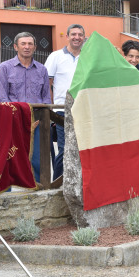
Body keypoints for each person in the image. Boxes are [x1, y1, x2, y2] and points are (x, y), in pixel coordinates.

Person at [0, 32, 51, 183]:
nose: (27, 47)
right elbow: (1, 98)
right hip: (13, 122)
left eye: (30, 44)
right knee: (10, 160)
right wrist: (17, 119)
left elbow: (46, 98)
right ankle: (7, 195)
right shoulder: (5, 68)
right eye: (23, 44)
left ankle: (39, 192)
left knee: (38, 161)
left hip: (38, 122)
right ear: (15, 47)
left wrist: (40, 119)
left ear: (35, 47)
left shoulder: (42, 70)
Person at [45, 23, 85, 181]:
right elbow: (47, 84)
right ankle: (58, 184)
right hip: (61, 110)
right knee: (63, 149)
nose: (77, 37)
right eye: (73, 34)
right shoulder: (55, 56)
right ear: (67, 36)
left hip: (83, 109)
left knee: (81, 149)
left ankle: (76, 183)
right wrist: (51, 109)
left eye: (80, 35)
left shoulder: (87, 57)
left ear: (84, 37)